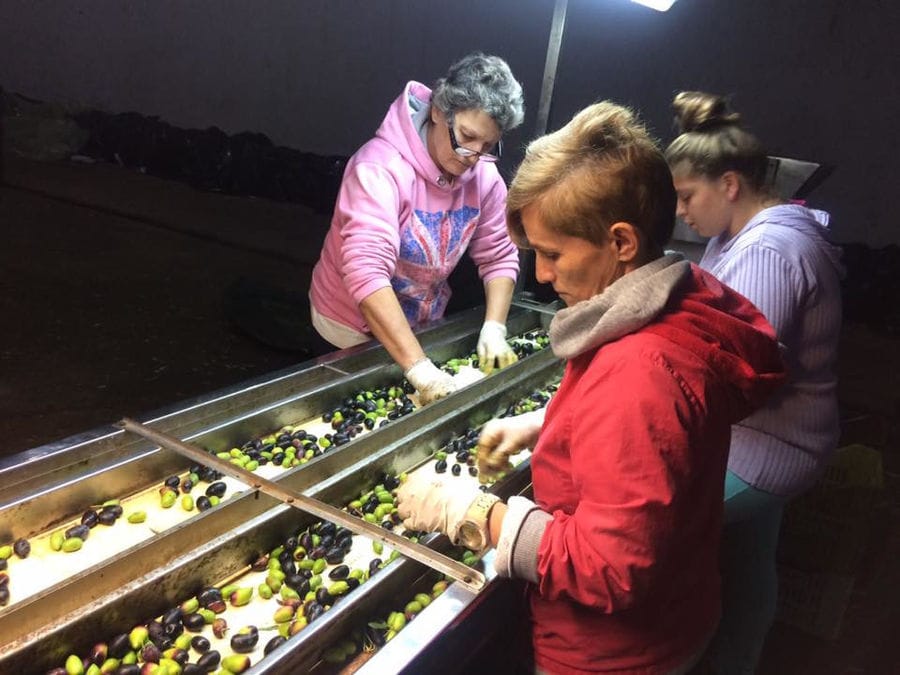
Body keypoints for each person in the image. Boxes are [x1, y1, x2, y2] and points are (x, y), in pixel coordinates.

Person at [396, 101, 786, 674]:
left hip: (614, 655)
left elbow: (612, 565)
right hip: (681, 611)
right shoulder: (678, 305)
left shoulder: (637, 372)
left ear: (622, 242)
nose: (544, 275)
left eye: (552, 254)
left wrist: (478, 513)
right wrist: (553, 421)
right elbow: (656, 444)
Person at [664, 91, 844, 674]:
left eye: (688, 197)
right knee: (748, 566)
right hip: (779, 437)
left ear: (731, 184)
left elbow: (730, 377)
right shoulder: (738, 237)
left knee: (657, 525)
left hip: (770, 446)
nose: (683, 212)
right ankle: (736, 657)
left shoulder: (769, 249)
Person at [309, 52, 525, 404]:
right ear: (439, 111)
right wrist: (420, 370)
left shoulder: (483, 177)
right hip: (347, 329)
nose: (472, 155)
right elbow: (367, 272)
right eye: (466, 136)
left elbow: (499, 254)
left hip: (421, 324)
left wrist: (495, 327)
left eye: (487, 145)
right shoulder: (379, 170)